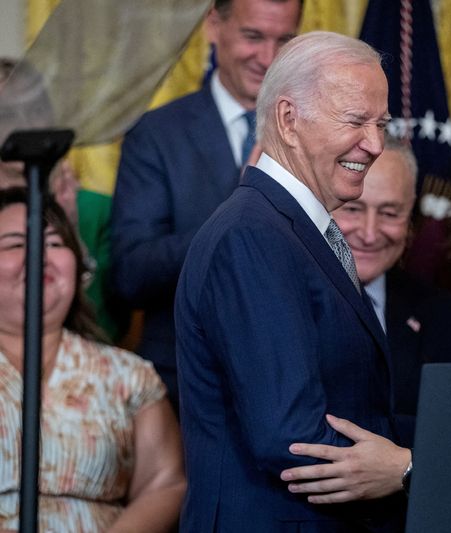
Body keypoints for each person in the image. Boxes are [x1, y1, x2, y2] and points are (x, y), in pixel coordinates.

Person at [175, 31, 411, 531]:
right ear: (288, 119)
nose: (373, 145)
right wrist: (412, 470)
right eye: (355, 121)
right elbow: (290, 437)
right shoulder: (252, 235)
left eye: (381, 124)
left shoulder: (291, 228)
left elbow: (356, 407)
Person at [111, 0, 302, 409]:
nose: (268, 58)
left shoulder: (316, 130)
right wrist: (241, 206)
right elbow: (131, 275)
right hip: (187, 387)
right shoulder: (157, 135)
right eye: (253, 36)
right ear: (213, 25)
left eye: (284, 40)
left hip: (294, 381)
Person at [0, 187, 185, 532]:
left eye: (55, 244)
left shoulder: (127, 375)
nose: (39, 254)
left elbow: (166, 483)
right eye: (14, 243)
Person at [331, 136, 451, 447]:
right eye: (352, 208)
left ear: (411, 224)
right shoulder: (278, 301)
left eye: (390, 213)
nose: (368, 233)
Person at [1, 57, 128, 344]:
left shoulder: (95, 209)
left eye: (35, 109)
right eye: (8, 113)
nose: (26, 124)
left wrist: (72, 235)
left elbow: (110, 328)